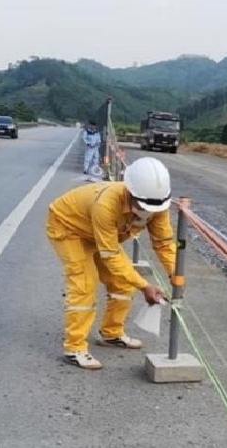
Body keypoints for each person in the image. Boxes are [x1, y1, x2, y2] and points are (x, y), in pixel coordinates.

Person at [45, 156, 176, 370]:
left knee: (122, 283)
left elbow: (162, 243)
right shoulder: (107, 204)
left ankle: (111, 333)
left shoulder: (158, 206)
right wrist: (145, 285)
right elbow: (111, 254)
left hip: (99, 236)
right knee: (85, 284)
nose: (148, 212)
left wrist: (175, 275)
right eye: (142, 206)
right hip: (68, 228)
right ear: (130, 192)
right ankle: (74, 347)